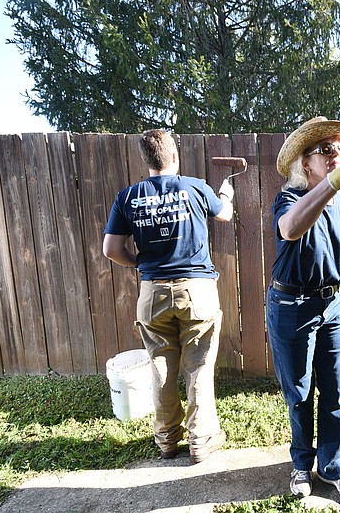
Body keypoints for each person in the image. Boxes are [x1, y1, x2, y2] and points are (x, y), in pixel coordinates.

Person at [266, 116, 340, 502]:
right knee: (300, 393)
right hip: (292, 306)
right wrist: (333, 183)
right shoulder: (289, 199)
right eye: (327, 149)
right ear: (307, 163)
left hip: (332, 304)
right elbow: (290, 229)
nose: (339, 154)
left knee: (335, 391)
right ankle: (302, 465)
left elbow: (338, 250)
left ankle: (332, 466)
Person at [102, 129, 234, 463]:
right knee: (199, 366)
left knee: (160, 367)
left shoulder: (128, 197)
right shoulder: (196, 187)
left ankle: (166, 440)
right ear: (174, 155)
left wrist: (140, 265)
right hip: (197, 290)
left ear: (146, 160)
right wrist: (226, 194)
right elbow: (225, 214)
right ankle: (202, 440)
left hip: (153, 292)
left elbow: (111, 249)